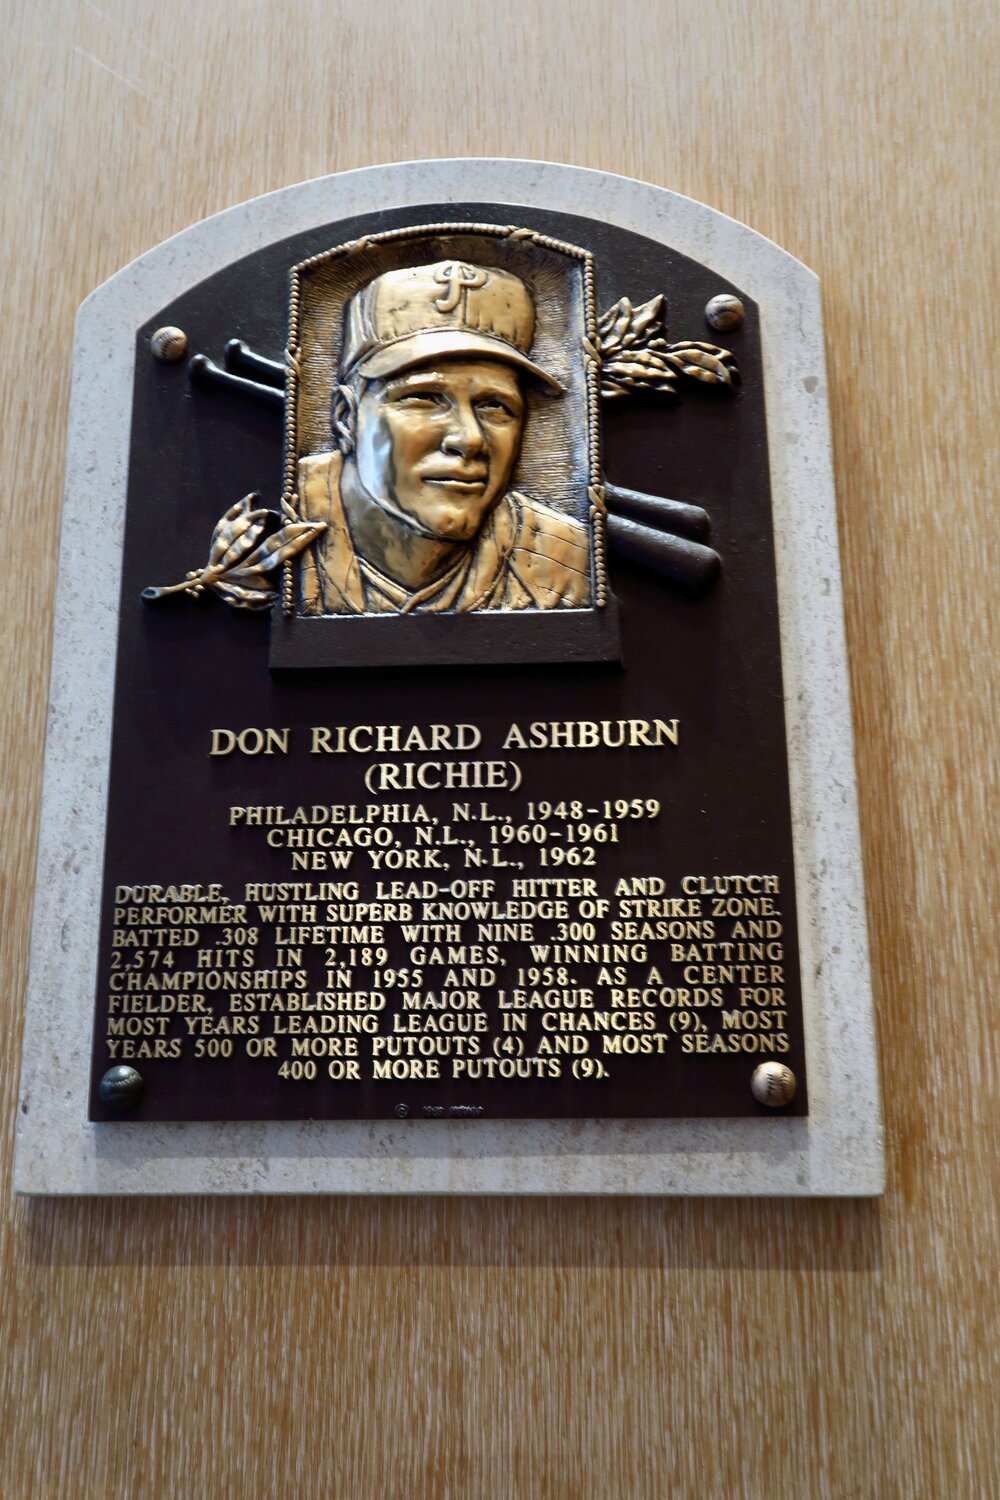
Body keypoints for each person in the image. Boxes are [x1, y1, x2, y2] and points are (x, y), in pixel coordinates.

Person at [298, 259, 593, 614]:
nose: (469, 439)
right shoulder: (271, 536)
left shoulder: (564, 563)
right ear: (346, 419)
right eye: (424, 398)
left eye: (495, 406)